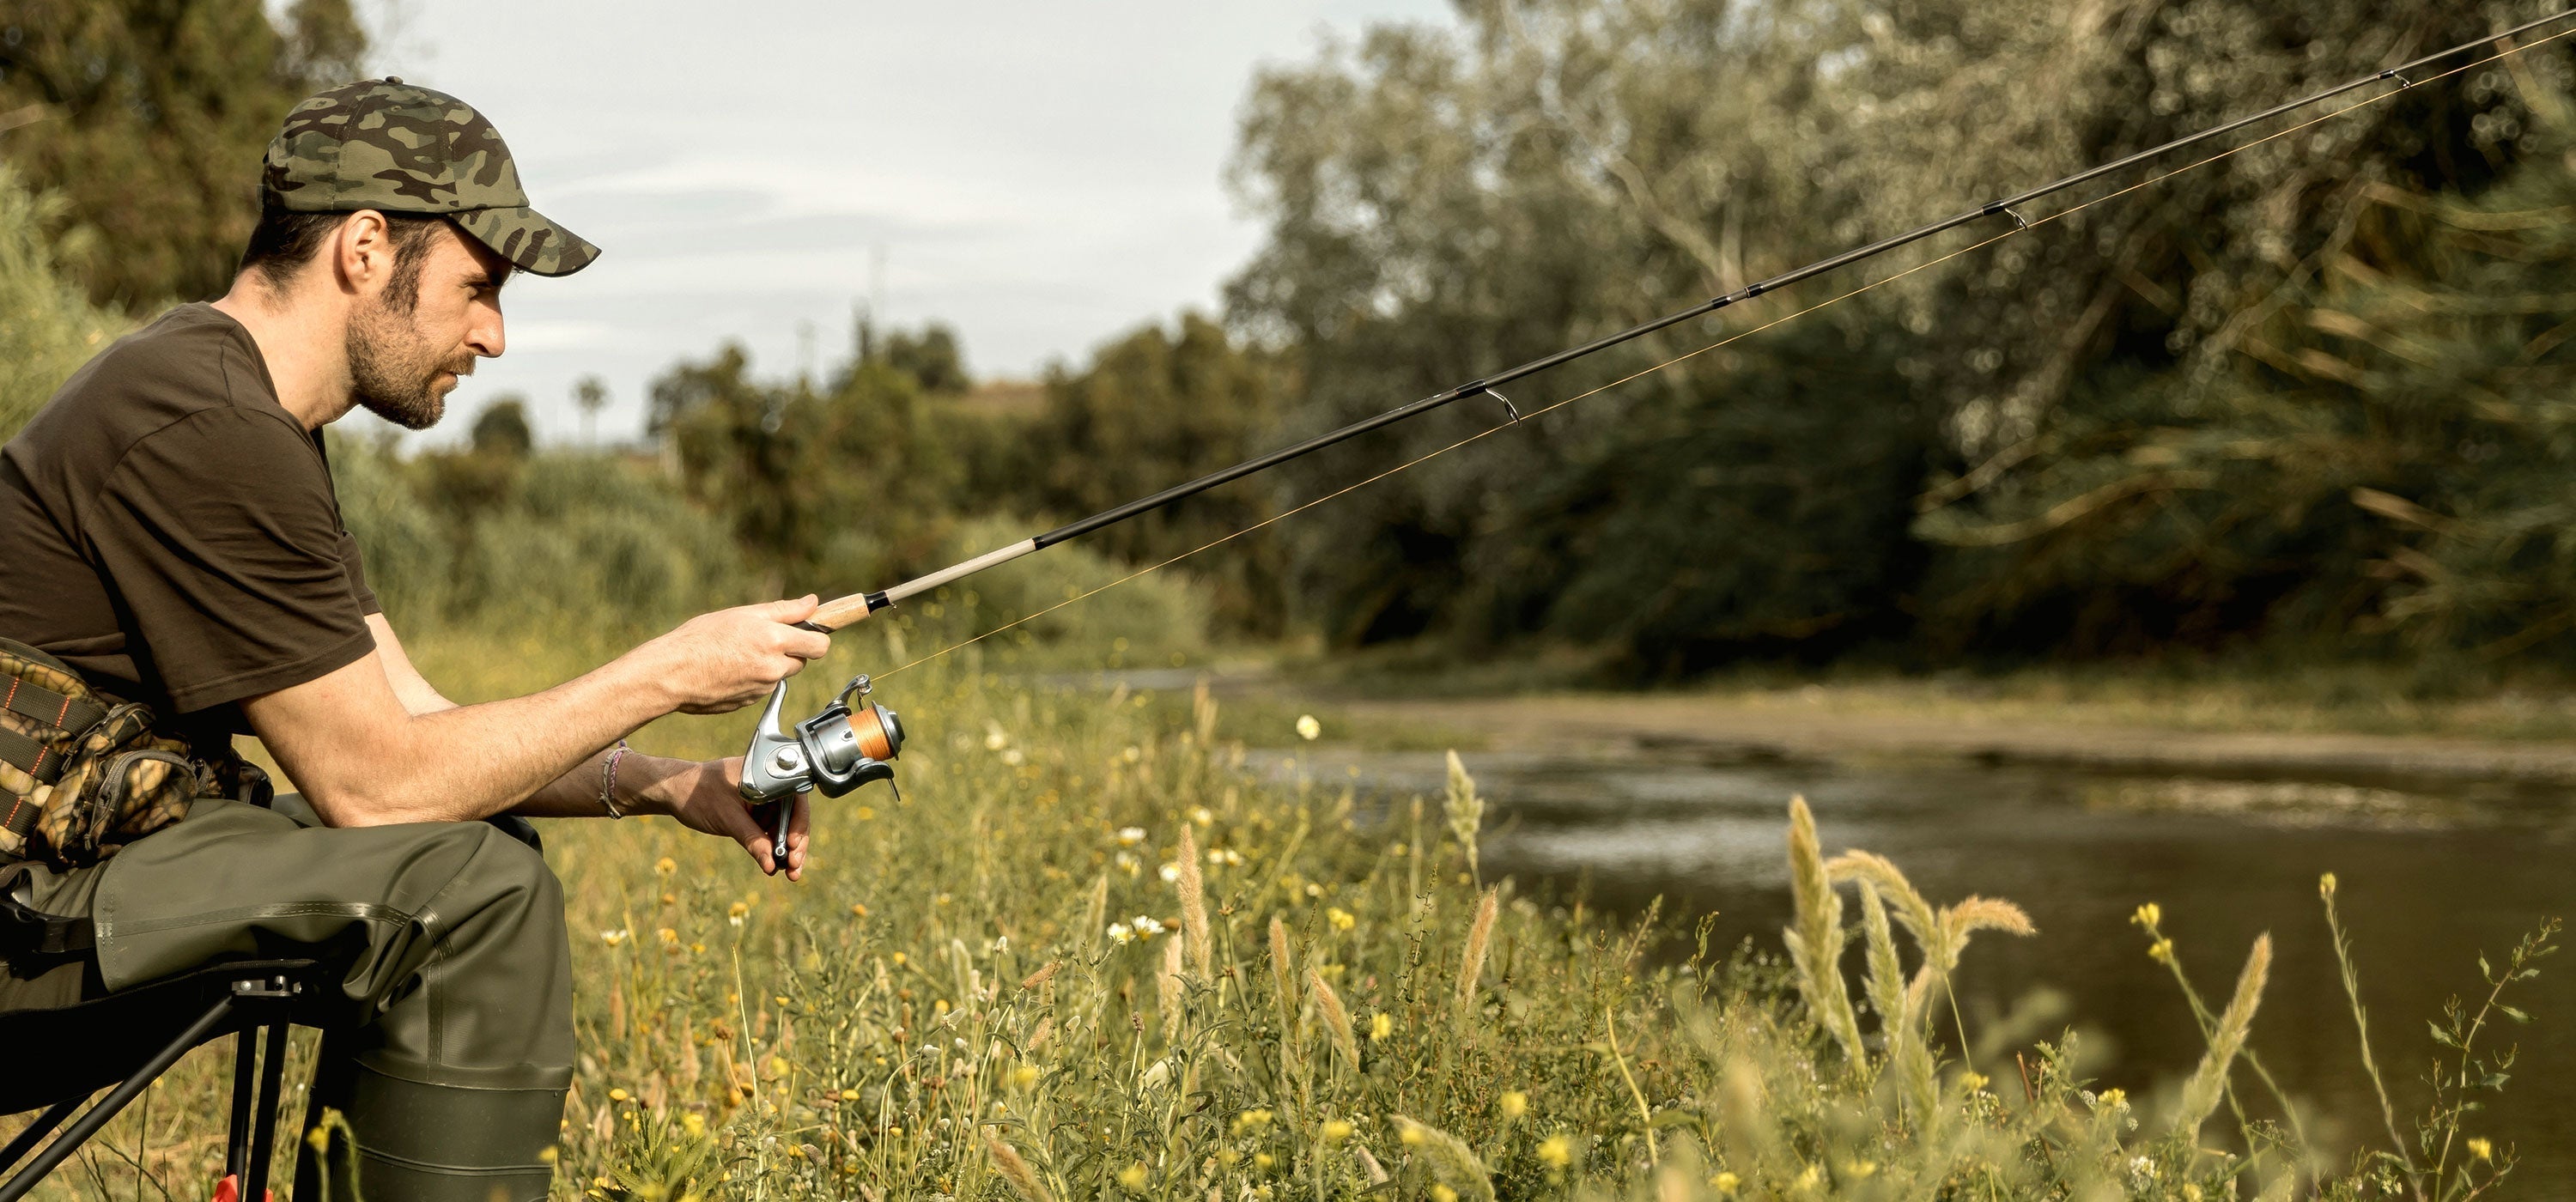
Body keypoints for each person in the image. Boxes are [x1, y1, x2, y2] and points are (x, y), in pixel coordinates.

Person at [0, 79, 826, 1199]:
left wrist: (675, 784)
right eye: (477, 288)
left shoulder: (252, 422)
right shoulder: (205, 423)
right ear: (366, 247)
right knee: (474, 891)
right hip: (20, 921)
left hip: (62, 881)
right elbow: (376, 791)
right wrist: (667, 671)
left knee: (487, 849)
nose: (492, 334)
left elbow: (422, 729)